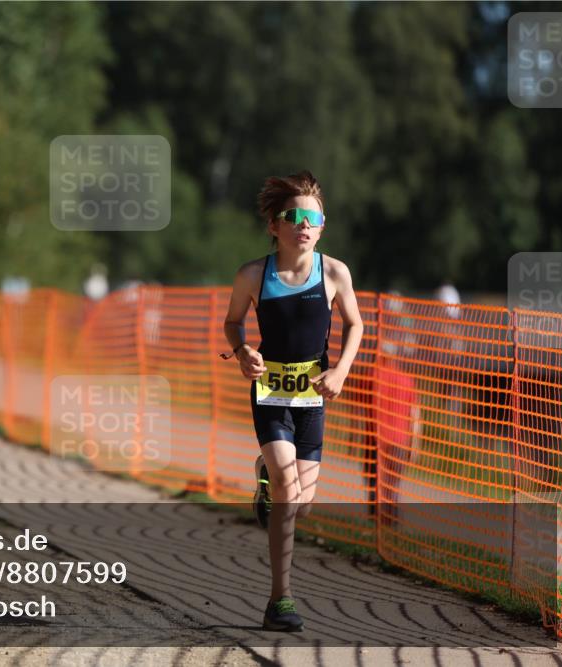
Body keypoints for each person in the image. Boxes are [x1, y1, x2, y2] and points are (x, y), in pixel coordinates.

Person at [221, 170, 363, 632]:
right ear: (274, 225)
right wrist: (244, 352)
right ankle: (280, 599)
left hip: (313, 396)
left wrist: (339, 371)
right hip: (271, 395)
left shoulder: (335, 272)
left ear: (322, 226)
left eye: (313, 217)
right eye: (293, 216)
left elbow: (355, 325)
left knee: (301, 504)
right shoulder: (252, 274)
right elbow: (233, 324)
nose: (303, 224)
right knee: (287, 488)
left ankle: (264, 477)